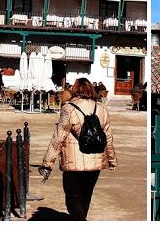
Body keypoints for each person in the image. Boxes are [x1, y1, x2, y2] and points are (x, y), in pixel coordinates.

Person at [38, 78, 117, 220]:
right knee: (85, 198)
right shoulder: (102, 108)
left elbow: (58, 138)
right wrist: (112, 160)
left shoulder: (69, 109)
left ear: (75, 90)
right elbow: (108, 137)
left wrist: (47, 163)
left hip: (74, 163)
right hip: (95, 162)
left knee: (72, 199)